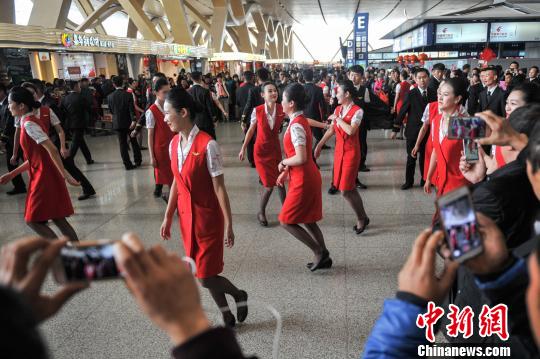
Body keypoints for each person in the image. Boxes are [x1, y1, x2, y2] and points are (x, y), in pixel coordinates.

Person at [0, 234, 255, 359]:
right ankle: (231, 307)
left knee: (206, 276)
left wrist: (12, 319)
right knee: (203, 277)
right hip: (190, 225)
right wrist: (188, 324)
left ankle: (234, 299)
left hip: (206, 225)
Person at [160, 87, 248, 327]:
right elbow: (177, 183)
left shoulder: (208, 145)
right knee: (202, 273)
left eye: (168, 113)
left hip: (208, 219)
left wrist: (229, 223)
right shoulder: (173, 145)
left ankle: (239, 295)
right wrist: (168, 216)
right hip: (187, 220)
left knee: (205, 276)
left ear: (184, 112)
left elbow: (219, 187)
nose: (165, 118)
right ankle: (227, 314)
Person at [0, 87, 79, 240]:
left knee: (32, 220)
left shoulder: (29, 124)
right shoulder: (26, 121)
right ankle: (75, 254)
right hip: (43, 173)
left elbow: (53, 150)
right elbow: (37, 157)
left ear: (21, 105)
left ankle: (61, 251)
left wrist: (66, 175)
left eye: (10, 103)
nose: (8, 106)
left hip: (44, 176)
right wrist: (12, 174)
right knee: (57, 217)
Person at [277, 83, 331, 271]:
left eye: (282, 99)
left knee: (286, 220)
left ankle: (318, 252)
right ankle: (324, 254)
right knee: (308, 218)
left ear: (291, 103)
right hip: (304, 175)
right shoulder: (299, 120)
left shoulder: (296, 126)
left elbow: (301, 157)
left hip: (304, 179)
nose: (280, 102)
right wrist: (286, 171)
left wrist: (284, 163)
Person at [22, 81, 96, 201]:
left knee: (70, 167)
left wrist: (63, 145)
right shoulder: (26, 111)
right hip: (42, 146)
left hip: (54, 142)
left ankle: (86, 189)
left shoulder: (49, 104)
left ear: (37, 91)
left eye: (30, 93)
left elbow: (60, 126)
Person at [314, 80, 370, 234]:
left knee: (345, 190)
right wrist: (319, 145)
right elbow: (332, 130)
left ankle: (361, 218)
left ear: (347, 94)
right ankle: (363, 216)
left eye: (338, 92)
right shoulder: (338, 109)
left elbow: (351, 131)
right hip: (339, 152)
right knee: (347, 187)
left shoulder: (358, 110)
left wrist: (338, 119)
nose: (336, 95)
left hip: (352, 153)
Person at [238, 82, 286, 226]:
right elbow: (251, 130)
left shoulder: (281, 108)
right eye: (269, 91)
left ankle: (286, 211)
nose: (273, 93)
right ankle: (261, 212)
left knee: (281, 182)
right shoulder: (257, 110)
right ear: (262, 95)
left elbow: (297, 119)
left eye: (275, 90)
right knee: (269, 185)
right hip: (261, 152)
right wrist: (243, 148)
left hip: (275, 150)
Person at [423, 78, 470, 198]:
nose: (440, 98)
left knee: (455, 216)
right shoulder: (436, 120)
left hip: (459, 182)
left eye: (445, 95)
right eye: (439, 94)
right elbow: (435, 150)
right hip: (441, 179)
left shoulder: (465, 123)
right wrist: (429, 178)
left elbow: (473, 158)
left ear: (457, 98)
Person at [392, 68, 430, 189]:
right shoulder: (411, 94)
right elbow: (403, 111)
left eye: (424, 77)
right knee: (411, 157)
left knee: (425, 157)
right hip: (413, 130)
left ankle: (425, 180)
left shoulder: (434, 93)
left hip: (429, 131)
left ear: (428, 78)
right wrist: (395, 128)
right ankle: (409, 181)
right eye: (419, 78)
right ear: (415, 79)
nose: (422, 80)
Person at [146, 78, 174, 200]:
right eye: (164, 92)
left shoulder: (171, 106)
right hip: (161, 150)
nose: (168, 95)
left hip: (173, 146)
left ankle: (171, 199)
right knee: (169, 178)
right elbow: (150, 135)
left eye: (169, 91)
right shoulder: (151, 111)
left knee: (175, 177)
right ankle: (174, 202)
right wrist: (152, 157)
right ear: (156, 92)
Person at [107, 75, 142, 170]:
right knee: (133, 141)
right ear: (122, 83)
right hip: (128, 122)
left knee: (122, 144)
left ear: (114, 84)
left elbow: (111, 111)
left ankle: (127, 164)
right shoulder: (128, 94)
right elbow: (132, 110)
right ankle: (138, 160)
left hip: (117, 123)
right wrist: (134, 120)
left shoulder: (109, 97)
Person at [0, 83, 26, 195]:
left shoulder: (10, 103)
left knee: (28, 161)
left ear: (2, 91)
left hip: (16, 138)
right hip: (11, 140)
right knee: (12, 163)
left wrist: (3, 138)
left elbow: (9, 123)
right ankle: (19, 186)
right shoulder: (3, 104)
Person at [60, 80, 94, 165]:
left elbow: (61, 111)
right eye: (79, 86)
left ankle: (88, 159)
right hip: (79, 123)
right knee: (75, 143)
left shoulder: (65, 99)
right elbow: (89, 108)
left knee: (81, 141)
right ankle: (69, 160)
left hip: (70, 123)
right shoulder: (80, 97)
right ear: (75, 87)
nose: (80, 88)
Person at [187, 71, 217, 139]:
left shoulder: (188, 92)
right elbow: (210, 107)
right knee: (209, 138)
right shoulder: (205, 91)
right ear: (201, 77)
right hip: (206, 121)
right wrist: (214, 118)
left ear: (191, 79)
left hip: (193, 122)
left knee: (198, 140)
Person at [302, 69, 326, 146]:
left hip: (303, 115)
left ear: (303, 78)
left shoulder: (300, 89)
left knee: (304, 134)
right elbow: (322, 104)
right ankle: (318, 148)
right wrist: (325, 116)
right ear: (312, 77)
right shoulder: (318, 89)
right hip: (315, 114)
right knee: (318, 133)